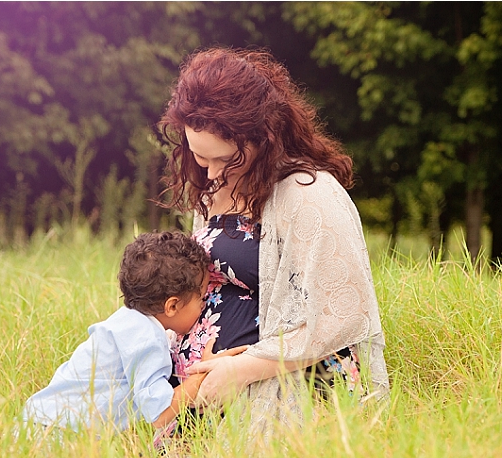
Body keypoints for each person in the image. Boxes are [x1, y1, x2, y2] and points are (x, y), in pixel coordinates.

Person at [158, 47, 389, 433]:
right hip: (207, 388)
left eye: (223, 159)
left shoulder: (310, 195)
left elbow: (343, 317)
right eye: (200, 156)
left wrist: (242, 370)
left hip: (286, 386)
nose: (211, 171)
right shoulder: (216, 189)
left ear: (261, 140)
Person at [22, 231, 246, 433]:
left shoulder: (129, 322)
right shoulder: (147, 339)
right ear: (172, 306)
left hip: (42, 422)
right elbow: (159, 414)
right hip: (56, 434)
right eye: (201, 297)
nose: (204, 304)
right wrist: (201, 374)